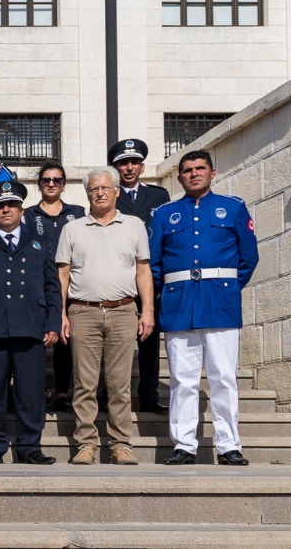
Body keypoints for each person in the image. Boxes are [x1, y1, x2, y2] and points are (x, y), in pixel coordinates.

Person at [151, 150, 259, 466]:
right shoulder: (164, 214)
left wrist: (225, 289)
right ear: (180, 176)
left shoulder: (233, 208)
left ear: (213, 173)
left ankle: (228, 445)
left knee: (223, 378)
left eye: (200, 168)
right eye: (187, 170)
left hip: (220, 304)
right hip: (179, 305)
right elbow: (155, 265)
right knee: (182, 380)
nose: (194, 173)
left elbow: (248, 257)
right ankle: (184, 444)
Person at [54, 167, 154, 466]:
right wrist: (60, 313)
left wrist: (147, 310)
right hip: (83, 311)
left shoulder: (134, 225)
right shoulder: (73, 229)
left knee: (119, 384)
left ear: (116, 191)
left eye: (105, 188)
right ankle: (86, 443)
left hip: (124, 310)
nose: (99, 192)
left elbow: (143, 270)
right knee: (84, 384)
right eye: (93, 189)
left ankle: (121, 444)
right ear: (87, 194)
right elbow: (62, 274)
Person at [0, 186, 61, 465]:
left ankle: (29, 447)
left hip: (30, 327)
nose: (5, 210)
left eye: (11, 205)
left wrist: (53, 322)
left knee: (31, 393)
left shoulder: (39, 244)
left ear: (21, 210)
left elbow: (52, 287)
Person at [110, 137, 173, 413]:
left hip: (151, 278)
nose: (129, 167)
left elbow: (165, 238)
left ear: (142, 166)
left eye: (134, 162)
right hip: (119, 277)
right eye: (124, 163)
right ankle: (108, 394)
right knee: (112, 342)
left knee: (148, 341)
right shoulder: (109, 194)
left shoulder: (158, 196)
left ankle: (148, 394)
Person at [24, 161, 84, 412]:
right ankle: (35, 390)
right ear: (39, 184)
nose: (51, 184)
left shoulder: (78, 212)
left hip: (70, 281)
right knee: (37, 338)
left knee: (64, 339)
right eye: (46, 180)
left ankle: (61, 391)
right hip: (37, 282)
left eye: (56, 180)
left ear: (64, 184)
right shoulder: (28, 214)